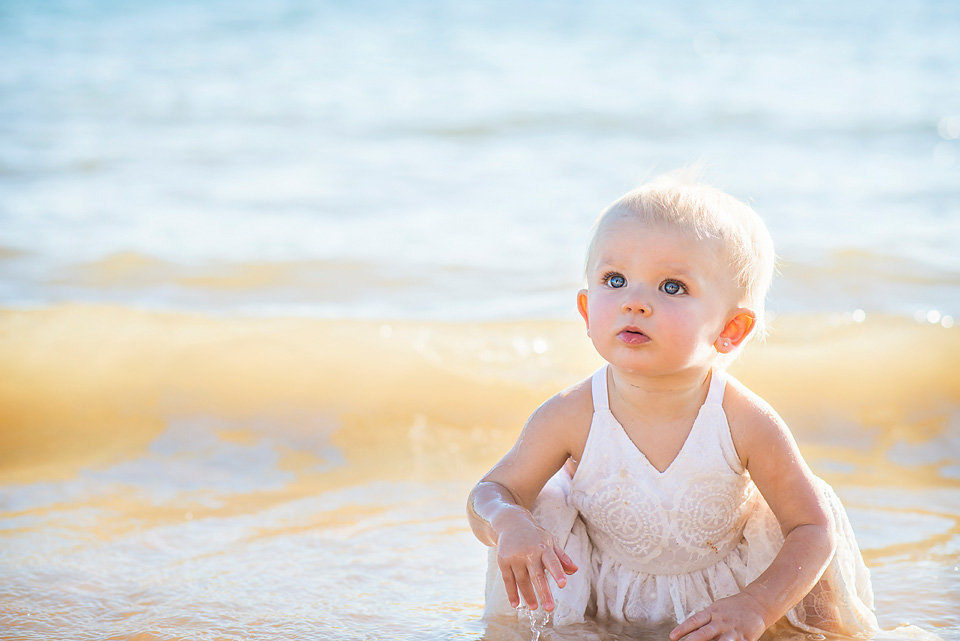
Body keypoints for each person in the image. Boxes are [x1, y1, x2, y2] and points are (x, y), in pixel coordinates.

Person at [467, 175, 878, 641]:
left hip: (728, 596)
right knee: (535, 505)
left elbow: (813, 528)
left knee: (806, 529)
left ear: (731, 329)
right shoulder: (571, 414)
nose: (635, 303)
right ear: (586, 310)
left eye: (672, 286)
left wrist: (755, 606)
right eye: (614, 280)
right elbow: (490, 490)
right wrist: (508, 520)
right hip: (606, 591)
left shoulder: (742, 420)